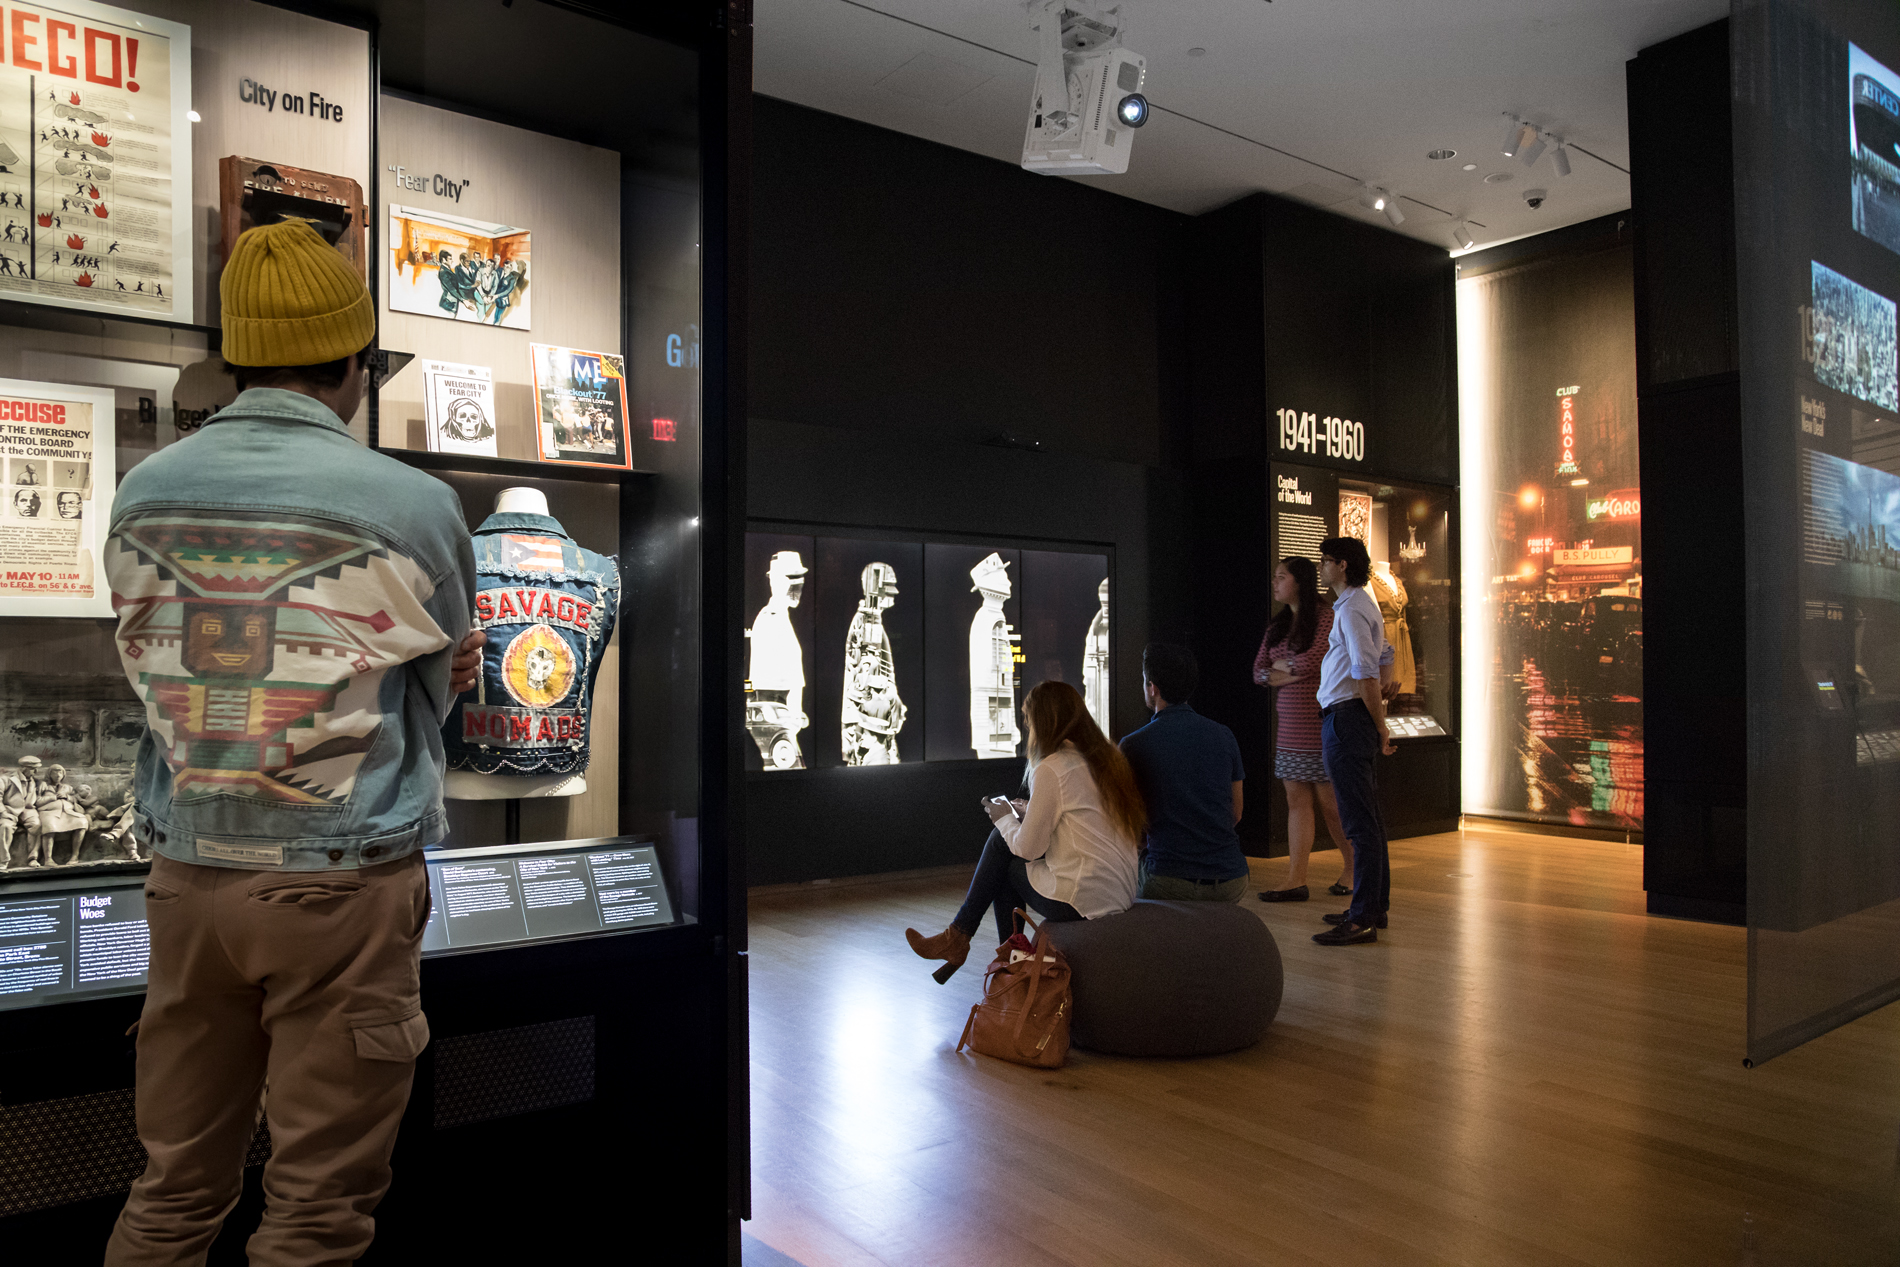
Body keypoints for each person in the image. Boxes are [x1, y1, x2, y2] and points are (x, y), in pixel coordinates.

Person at [100, 218, 486, 1263]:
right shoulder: (412, 503)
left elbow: (146, 662)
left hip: (185, 875)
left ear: (232, 355)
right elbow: (443, 676)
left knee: (173, 1189)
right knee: (315, 1210)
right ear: (353, 358)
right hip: (341, 885)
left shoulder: (141, 493)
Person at [905, 681, 1141, 980]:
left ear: (1043, 723)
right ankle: (975, 945)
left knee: (1003, 857)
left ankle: (987, 952)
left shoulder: (1053, 767)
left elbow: (1028, 848)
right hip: (1120, 891)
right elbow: (1084, 820)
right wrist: (1031, 811)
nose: (1027, 730)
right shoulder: (1106, 759)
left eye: (1028, 721)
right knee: (1006, 852)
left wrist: (1004, 818)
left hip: (1083, 898)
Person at [1254, 557, 1355, 901]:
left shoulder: (1325, 616)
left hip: (1318, 722)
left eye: (1281, 576)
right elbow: (1258, 670)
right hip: (1290, 727)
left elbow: (1318, 657)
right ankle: (1296, 879)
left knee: (1331, 804)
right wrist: (1285, 671)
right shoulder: (1279, 624)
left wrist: (1286, 668)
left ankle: (1355, 868)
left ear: (1299, 581)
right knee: (1296, 802)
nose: (1275, 582)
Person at [1311, 536, 1396, 946]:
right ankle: (1372, 907)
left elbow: (1365, 671)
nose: (1322, 569)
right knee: (1369, 820)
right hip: (1350, 717)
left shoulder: (1353, 608)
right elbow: (1383, 656)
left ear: (1342, 565)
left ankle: (1362, 915)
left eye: (1325, 561)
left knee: (1360, 824)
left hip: (1347, 718)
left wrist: (1380, 726)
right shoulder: (1358, 604)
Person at [1119, 642, 1248, 901]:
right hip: (1232, 879)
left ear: (1152, 688)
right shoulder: (1224, 735)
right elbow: (1235, 813)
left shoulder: (1133, 745)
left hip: (1167, 879)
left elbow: (1129, 829)